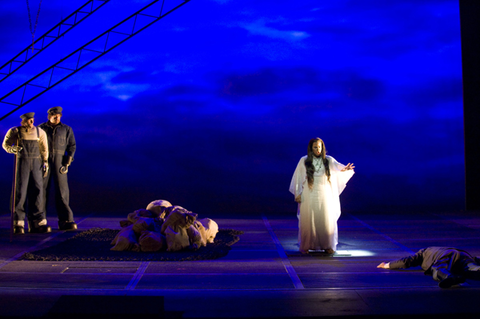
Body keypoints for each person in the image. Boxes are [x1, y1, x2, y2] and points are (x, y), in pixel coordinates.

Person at [289, 137, 354, 254]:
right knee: (309, 219)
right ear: (311, 148)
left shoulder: (328, 160)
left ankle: (327, 245)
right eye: (315, 147)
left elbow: (338, 167)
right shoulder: (304, 160)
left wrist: (345, 169)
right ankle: (306, 245)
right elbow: (298, 177)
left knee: (326, 219)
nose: (318, 150)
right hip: (309, 194)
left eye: (320, 147)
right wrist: (297, 194)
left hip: (325, 194)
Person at [2, 112, 51, 234]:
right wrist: (12, 149)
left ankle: (37, 222)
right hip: (22, 162)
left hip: (36, 163)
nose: (32, 122)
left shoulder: (40, 132)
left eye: (33, 120)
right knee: (20, 191)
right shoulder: (15, 131)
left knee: (38, 190)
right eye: (29, 120)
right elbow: (5, 144)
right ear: (23, 121)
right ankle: (17, 223)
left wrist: (45, 162)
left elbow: (44, 148)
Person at [39, 106, 77, 230]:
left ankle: (66, 220)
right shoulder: (40, 129)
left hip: (60, 162)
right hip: (43, 161)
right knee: (41, 191)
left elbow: (71, 146)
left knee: (62, 191)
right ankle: (40, 220)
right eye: (55, 116)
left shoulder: (66, 129)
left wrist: (67, 162)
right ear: (49, 116)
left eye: (59, 116)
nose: (57, 118)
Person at [377, 246, 480, 288]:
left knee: (439, 267)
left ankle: (449, 277)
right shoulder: (434, 249)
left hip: (446, 254)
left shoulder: (423, 252)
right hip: (463, 254)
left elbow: (407, 261)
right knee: (471, 266)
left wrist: (387, 265)